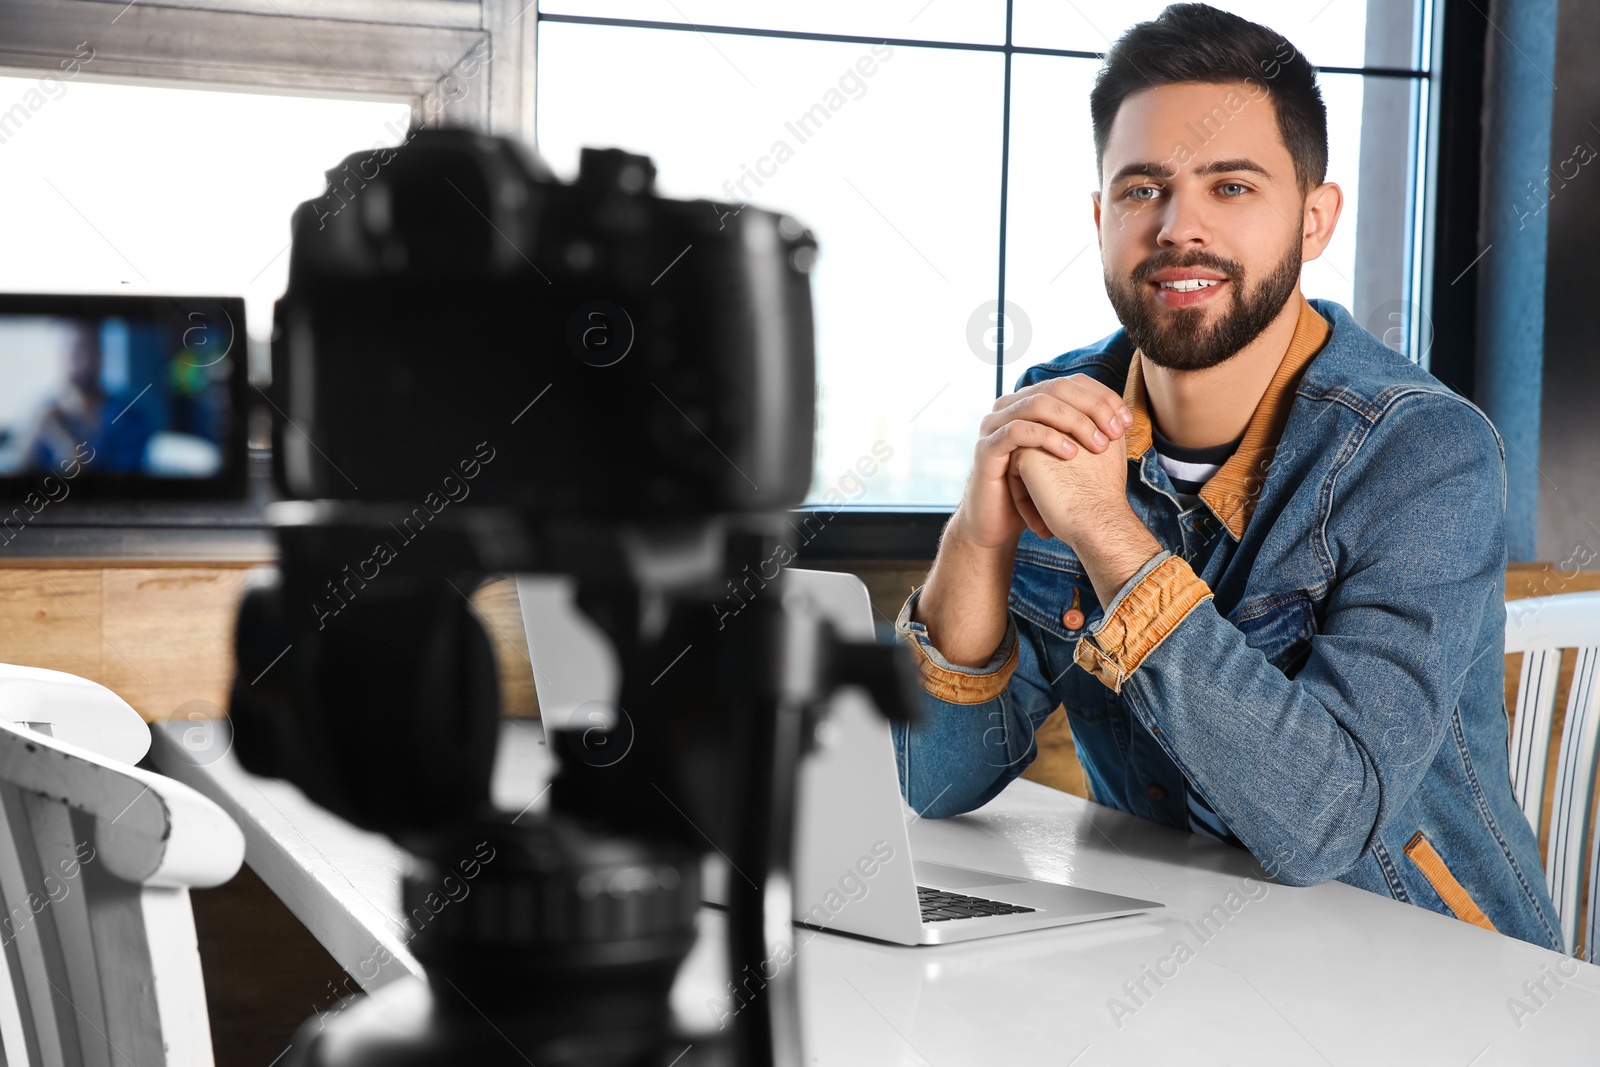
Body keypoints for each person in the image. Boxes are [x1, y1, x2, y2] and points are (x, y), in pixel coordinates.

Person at [893, 3, 1563, 951]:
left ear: (1315, 217)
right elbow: (933, 778)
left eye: (1233, 187)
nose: (1179, 228)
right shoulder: (1063, 407)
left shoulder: (1426, 453)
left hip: (1432, 979)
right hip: (1187, 952)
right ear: (1101, 218)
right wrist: (978, 531)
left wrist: (1107, 532)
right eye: (1141, 190)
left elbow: (1321, 824)